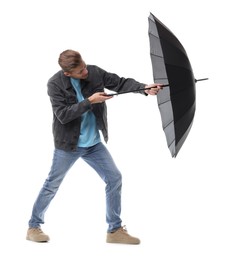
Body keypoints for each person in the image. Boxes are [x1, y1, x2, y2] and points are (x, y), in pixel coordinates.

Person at [26, 49, 162, 244]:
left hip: (93, 144)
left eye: (84, 66)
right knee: (52, 184)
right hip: (68, 145)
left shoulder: (94, 71)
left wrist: (144, 88)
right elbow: (63, 115)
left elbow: (120, 83)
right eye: (80, 72)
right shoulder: (55, 84)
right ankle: (33, 226)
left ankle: (114, 230)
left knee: (114, 178)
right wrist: (90, 101)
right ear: (67, 73)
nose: (85, 72)